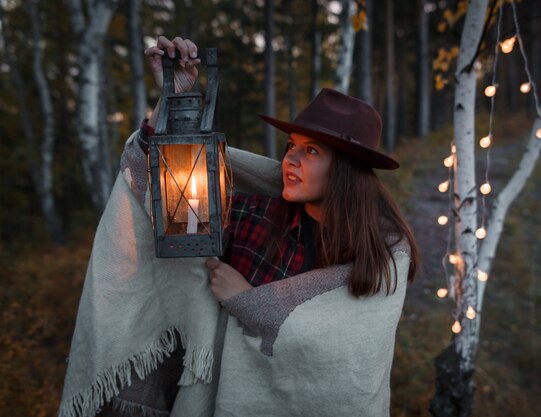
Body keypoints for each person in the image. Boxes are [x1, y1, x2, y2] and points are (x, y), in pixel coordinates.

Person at [59, 36, 419, 417]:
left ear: (348, 171)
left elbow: (340, 365)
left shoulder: (381, 256)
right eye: (291, 146)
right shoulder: (254, 218)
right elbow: (153, 183)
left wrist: (245, 300)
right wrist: (171, 99)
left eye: (311, 151)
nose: (291, 159)